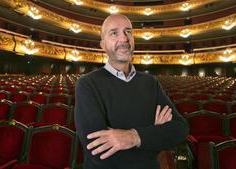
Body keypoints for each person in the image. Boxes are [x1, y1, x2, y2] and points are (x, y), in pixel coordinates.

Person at [75, 14, 188, 169]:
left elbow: (180, 129)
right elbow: (99, 153)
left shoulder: (150, 82)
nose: (124, 39)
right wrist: (154, 136)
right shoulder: (87, 84)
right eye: (114, 33)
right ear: (102, 44)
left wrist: (133, 137)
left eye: (128, 31)